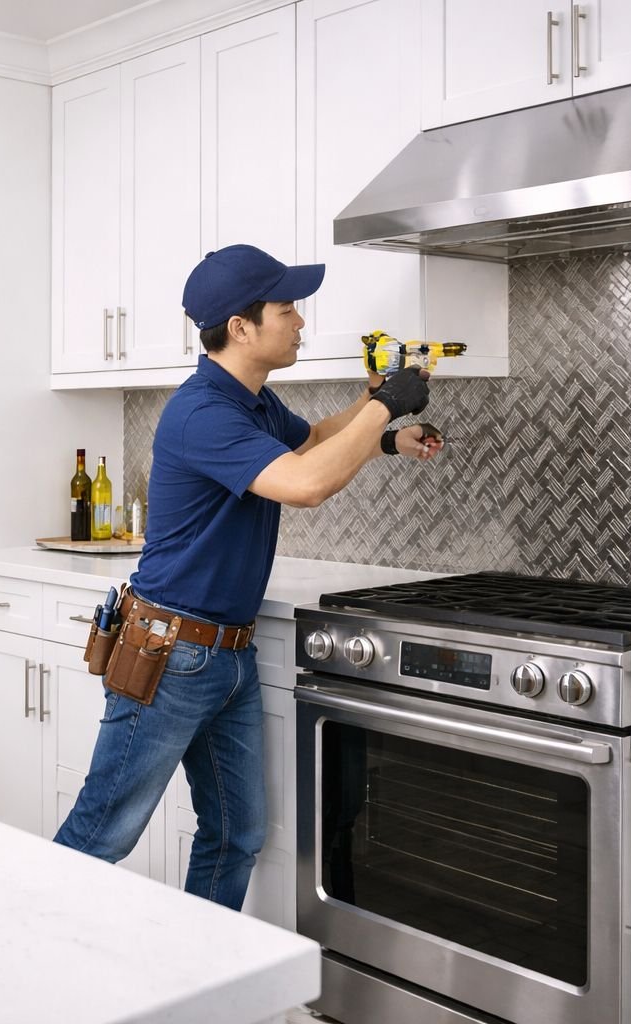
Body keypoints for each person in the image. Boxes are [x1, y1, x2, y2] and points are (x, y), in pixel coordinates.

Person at [53, 243, 443, 910]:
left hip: (226, 658)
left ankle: (205, 979)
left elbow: (307, 445)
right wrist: (388, 405)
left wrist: (379, 422)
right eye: (287, 308)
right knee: (101, 836)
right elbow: (306, 484)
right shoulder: (201, 411)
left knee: (237, 835)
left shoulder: (253, 403)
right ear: (241, 326)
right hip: (169, 655)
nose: (300, 322)